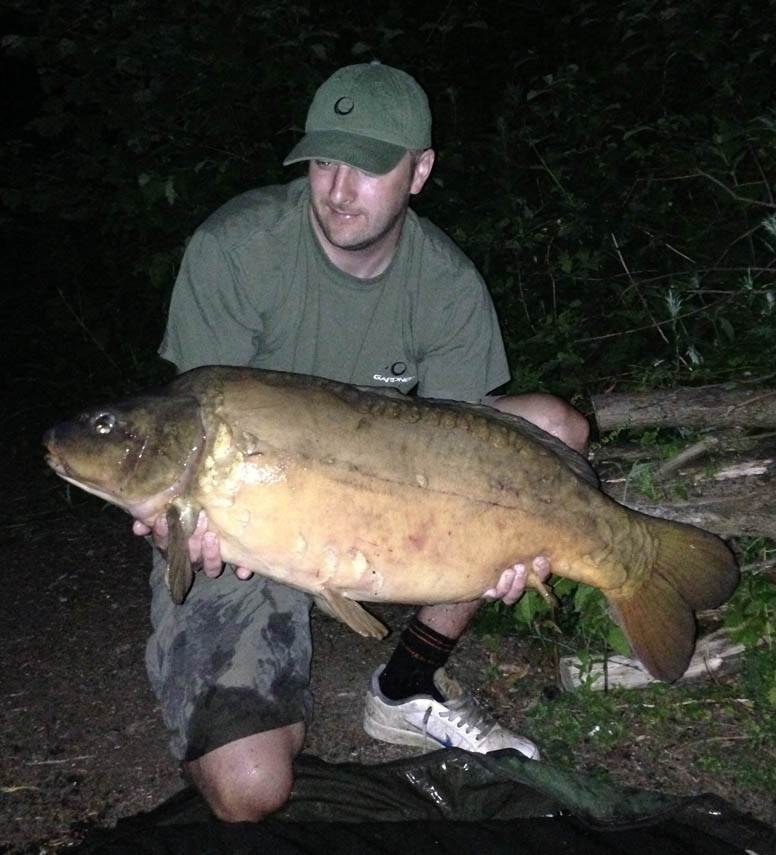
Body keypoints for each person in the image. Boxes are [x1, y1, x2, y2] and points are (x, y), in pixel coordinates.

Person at [134, 62, 589, 822]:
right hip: (251, 518)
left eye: (369, 166)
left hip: (378, 499)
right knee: (249, 793)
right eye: (323, 161)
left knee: (553, 433)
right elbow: (188, 432)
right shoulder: (237, 250)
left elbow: (469, 460)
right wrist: (176, 517)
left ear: (420, 172)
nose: (339, 188)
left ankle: (408, 681)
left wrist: (503, 551)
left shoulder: (446, 285)